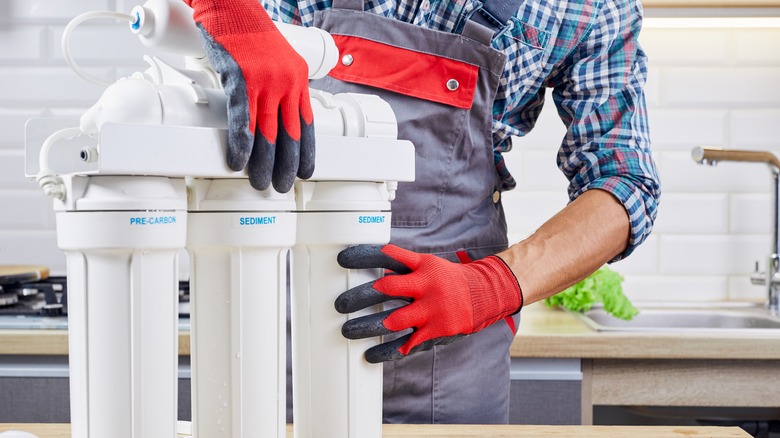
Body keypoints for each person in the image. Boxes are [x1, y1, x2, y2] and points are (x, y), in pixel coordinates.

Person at [184, 0, 661, 424]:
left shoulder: (591, 8)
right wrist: (229, 11)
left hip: (451, 360)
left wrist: (488, 287)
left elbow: (624, 183)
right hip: (270, 324)